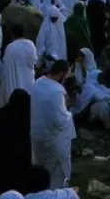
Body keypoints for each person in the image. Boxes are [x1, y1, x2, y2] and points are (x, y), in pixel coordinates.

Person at [31, 60, 75, 190]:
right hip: (53, 141)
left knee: (42, 172)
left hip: (37, 138)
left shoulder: (37, 83)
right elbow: (61, 120)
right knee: (57, 176)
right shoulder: (56, 91)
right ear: (61, 74)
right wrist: (69, 113)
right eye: (66, 76)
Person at [2, 24, 38, 97]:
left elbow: (6, 67)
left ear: (12, 33)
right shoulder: (30, 44)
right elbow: (34, 61)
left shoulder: (10, 47)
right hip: (28, 81)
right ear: (24, 33)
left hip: (14, 84)